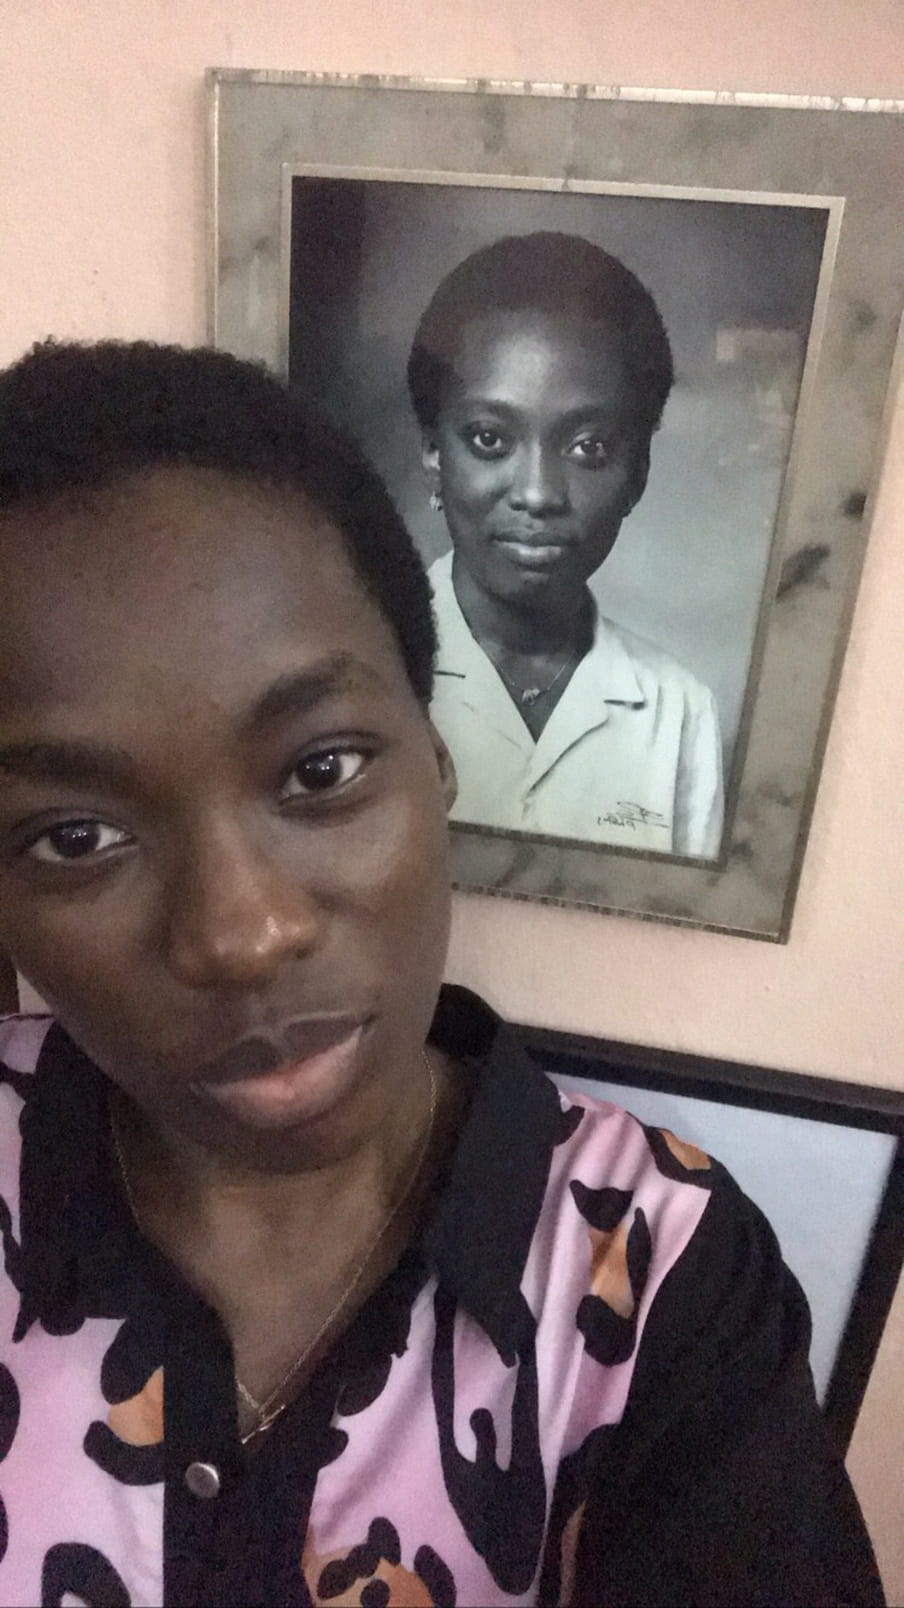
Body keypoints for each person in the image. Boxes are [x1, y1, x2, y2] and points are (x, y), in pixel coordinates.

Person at [0, 339, 881, 1607]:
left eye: (321, 770)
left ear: (436, 754)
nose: (242, 935)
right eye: (76, 838)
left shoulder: (656, 1278)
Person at [407, 231, 724, 858]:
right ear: (433, 451)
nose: (538, 494)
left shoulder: (679, 711)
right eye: (490, 439)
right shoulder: (370, 668)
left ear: (638, 473)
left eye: (589, 448)